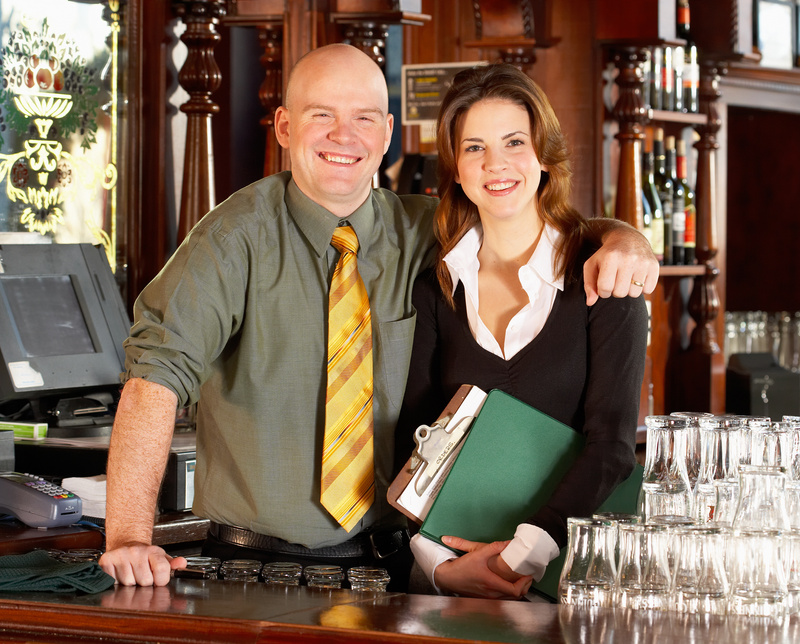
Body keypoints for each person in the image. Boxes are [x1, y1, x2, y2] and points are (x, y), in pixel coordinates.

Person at [98, 44, 657, 588]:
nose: (345, 136)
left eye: (363, 117)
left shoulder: (424, 233)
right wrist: (126, 535)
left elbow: (520, 211)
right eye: (323, 116)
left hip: (391, 576)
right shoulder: (232, 238)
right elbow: (154, 377)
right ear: (286, 127)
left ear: (387, 134)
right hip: (255, 571)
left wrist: (623, 239)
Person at [396, 64, 648, 600]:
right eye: (474, 148)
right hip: (452, 579)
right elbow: (413, 439)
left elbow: (613, 448)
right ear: (456, 170)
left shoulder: (606, 280)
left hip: (573, 580)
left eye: (514, 141)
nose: (496, 164)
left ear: (544, 156)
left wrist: (522, 553)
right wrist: (440, 567)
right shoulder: (435, 286)